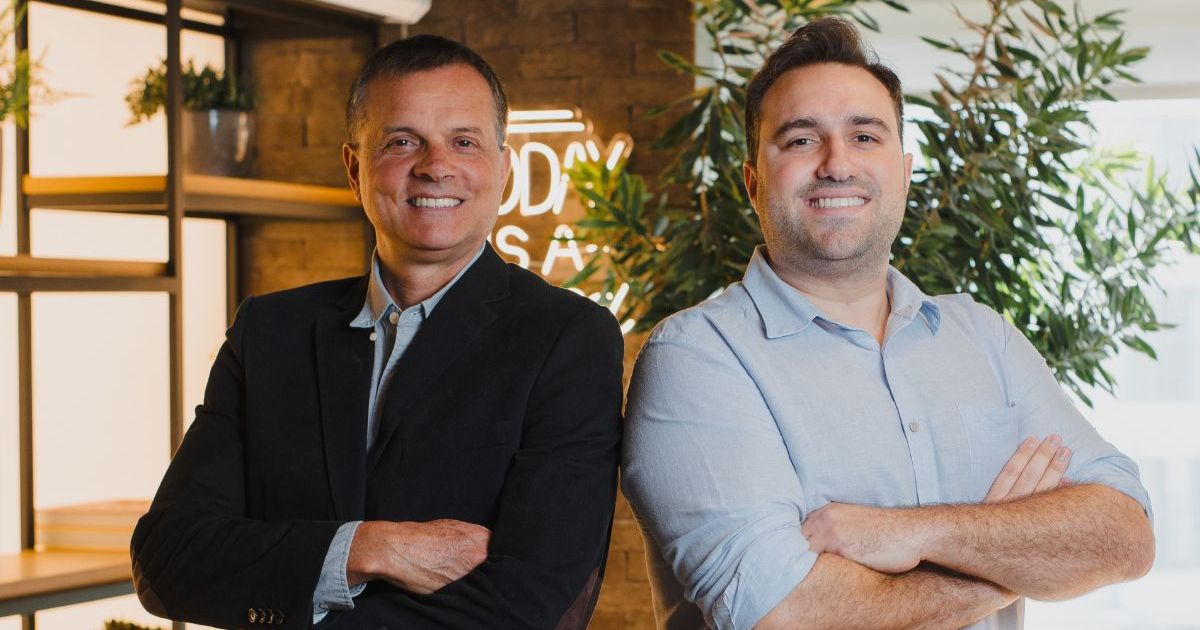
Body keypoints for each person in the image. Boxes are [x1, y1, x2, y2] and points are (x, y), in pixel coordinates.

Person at [622, 17, 1154, 630]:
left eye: (865, 136)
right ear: (752, 182)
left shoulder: (985, 337)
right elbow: (791, 613)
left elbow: (1125, 536)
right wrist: (1010, 552)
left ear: (903, 171)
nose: (836, 164)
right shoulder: (696, 357)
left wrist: (910, 532)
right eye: (799, 140)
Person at [131, 35, 624, 630]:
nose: (435, 165)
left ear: (503, 167)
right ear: (353, 167)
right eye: (402, 141)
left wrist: (289, 570)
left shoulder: (567, 337)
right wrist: (368, 549)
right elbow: (167, 559)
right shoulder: (269, 333)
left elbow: (528, 601)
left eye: (463, 141)